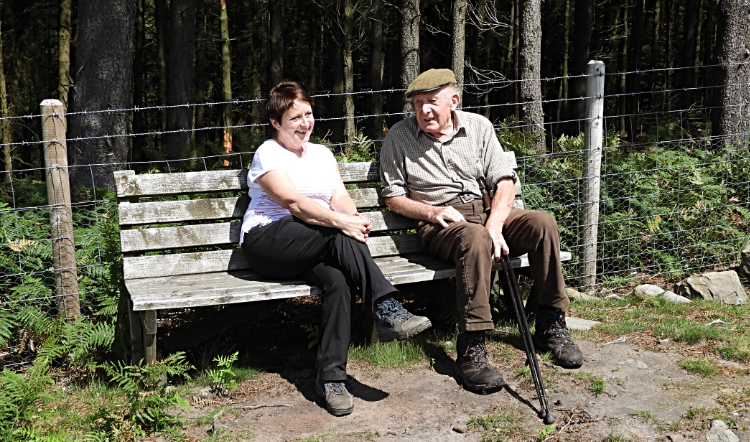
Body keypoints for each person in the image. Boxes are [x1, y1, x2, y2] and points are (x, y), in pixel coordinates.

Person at [379, 69, 583, 393]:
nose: (424, 111)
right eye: (418, 104)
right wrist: (430, 211)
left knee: (543, 223)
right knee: (475, 238)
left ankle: (550, 323)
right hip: (442, 224)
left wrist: (495, 224)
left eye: (431, 102)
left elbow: (504, 182)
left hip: (488, 212)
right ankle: (472, 347)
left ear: (454, 101)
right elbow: (392, 196)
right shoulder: (399, 137)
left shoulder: (479, 127)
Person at [240, 81, 432, 416]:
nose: (305, 123)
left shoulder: (322, 154)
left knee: (339, 282)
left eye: (309, 114)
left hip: (312, 242)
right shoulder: (268, 153)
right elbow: (293, 202)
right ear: (276, 123)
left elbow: (338, 197)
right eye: (295, 118)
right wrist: (340, 223)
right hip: (268, 240)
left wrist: (352, 217)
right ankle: (386, 307)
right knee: (337, 233)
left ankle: (331, 379)